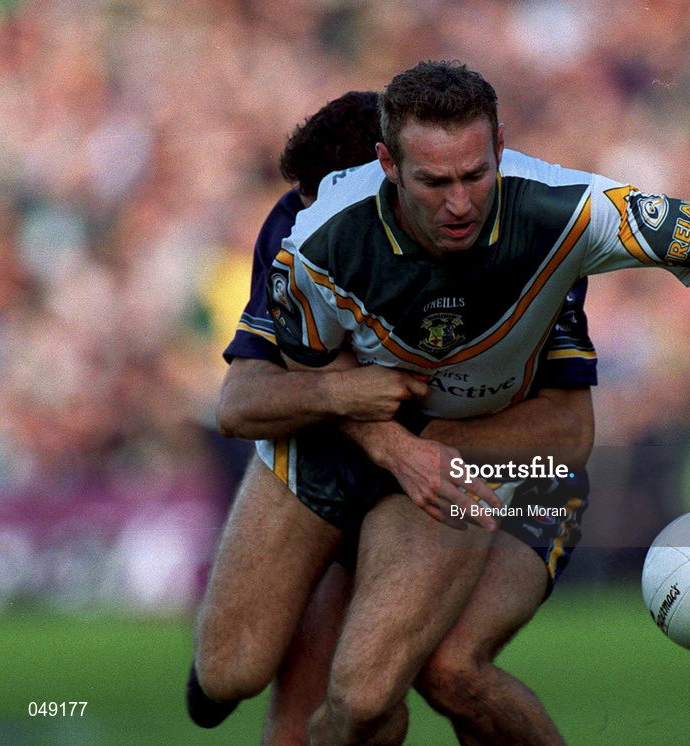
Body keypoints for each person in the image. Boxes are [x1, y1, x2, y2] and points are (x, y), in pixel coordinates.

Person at [268, 61, 690, 746]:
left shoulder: (566, 209)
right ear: (387, 164)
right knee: (351, 695)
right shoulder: (322, 242)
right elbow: (310, 371)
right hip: (426, 466)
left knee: (454, 670)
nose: (459, 202)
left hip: (533, 474)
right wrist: (396, 449)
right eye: (434, 181)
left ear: (500, 147)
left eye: (475, 175)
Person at [190, 91, 599, 745]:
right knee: (234, 676)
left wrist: (416, 440)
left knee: (442, 672)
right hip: (347, 459)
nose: (316, 220)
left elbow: (567, 435)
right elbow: (241, 401)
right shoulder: (298, 219)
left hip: (500, 470)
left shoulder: (526, 244)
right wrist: (352, 408)